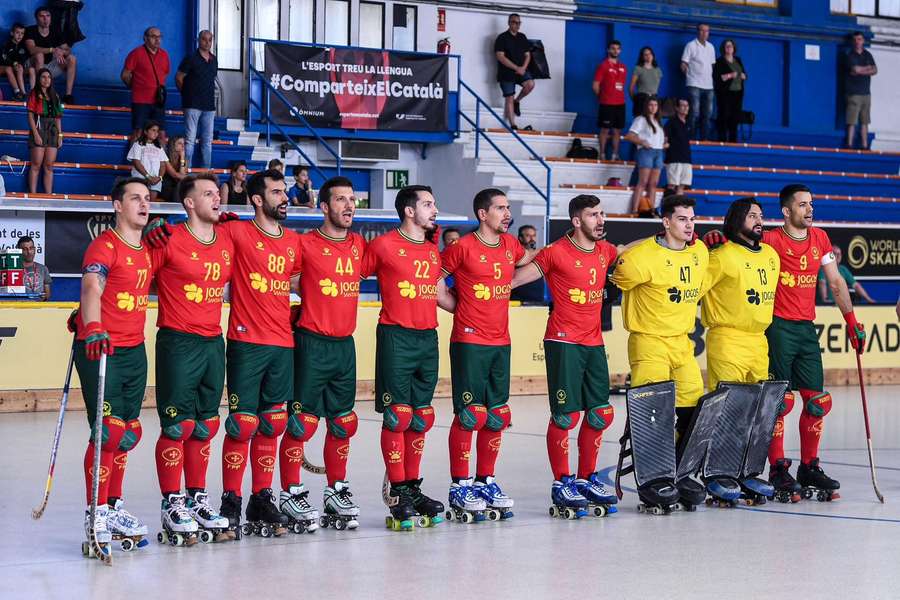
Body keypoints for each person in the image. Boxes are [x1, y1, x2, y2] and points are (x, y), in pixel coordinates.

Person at [511, 194, 620, 517]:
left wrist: (663, 237)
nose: (600, 220)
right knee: (566, 416)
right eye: (592, 215)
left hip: (594, 342)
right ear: (576, 221)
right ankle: (562, 482)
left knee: (601, 413)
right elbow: (516, 279)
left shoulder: (605, 251)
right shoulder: (555, 252)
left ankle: (587, 478)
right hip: (563, 341)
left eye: (602, 214)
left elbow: (629, 252)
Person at [360, 185, 456, 528]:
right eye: (428, 204)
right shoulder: (383, 245)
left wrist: (479, 307)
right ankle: (397, 490)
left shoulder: (432, 252)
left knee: (421, 418)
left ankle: (412, 487)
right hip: (396, 338)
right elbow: (347, 277)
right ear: (409, 211)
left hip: (427, 337)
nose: (435, 209)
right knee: (397, 417)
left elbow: (440, 295)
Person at [761, 185, 864, 498]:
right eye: (802, 205)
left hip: (807, 329)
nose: (809, 209)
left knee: (818, 402)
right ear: (786, 211)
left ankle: (810, 466)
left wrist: (851, 321)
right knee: (780, 402)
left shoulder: (820, 238)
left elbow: (835, 281)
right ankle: (778, 468)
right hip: (778, 328)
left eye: (811, 204)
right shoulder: (771, 240)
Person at [441, 188, 534, 521]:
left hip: (501, 342)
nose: (507, 214)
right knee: (470, 414)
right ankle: (460, 484)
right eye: (500, 208)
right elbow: (434, 283)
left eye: (508, 208)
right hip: (469, 342)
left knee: (496, 414)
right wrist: (460, 310)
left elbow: (529, 262)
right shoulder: (461, 248)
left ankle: (485, 480)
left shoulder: (511, 245)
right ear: (483, 214)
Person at [215, 168, 299, 537]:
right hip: (247, 344)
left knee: (273, 424)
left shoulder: (294, 241)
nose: (284, 198)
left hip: (283, 344)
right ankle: (230, 500)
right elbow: (200, 241)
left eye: (285, 191)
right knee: (241, 424)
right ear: (256, 199)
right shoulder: (236, 231)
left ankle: (261, 498)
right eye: (277, 192)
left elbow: (305, 281)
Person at [71, 177, 153, 552]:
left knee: (126, 433)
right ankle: (96, 512)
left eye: (147, 198)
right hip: (102, 349)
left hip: (135, 351)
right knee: (105, 432)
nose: (143, 204)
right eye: (135, 198)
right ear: (117, 205)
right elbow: (91, 288)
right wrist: (91, 325)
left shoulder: (148, 250)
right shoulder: (104, 245)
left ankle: (113, 505)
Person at [150, 173, 233, 543]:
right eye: (208, 194)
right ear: (188, 202)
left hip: (214, 342)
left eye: (218, 193)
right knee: (177, 426)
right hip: (178, 342)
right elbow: (133, 276)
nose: (217, 199)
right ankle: (172, 502)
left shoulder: (228, 237)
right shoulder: (168, 239)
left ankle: (197, 497)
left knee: (206, 425)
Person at [282, 176, 367, 530]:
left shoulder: (360, 245)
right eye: (341, 200)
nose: (349, 206)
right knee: (302, 423)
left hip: (344, 346)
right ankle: (291, 493)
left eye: (352, 200)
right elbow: (278, 277)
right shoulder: (304, 245)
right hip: (311, 344)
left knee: (343, 423)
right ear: (324, 206)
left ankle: (336, 490)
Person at [610, 194, 708, 441]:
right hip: (650, 342)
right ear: (666, 222)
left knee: (693, 407)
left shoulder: (699, 251)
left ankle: (677, 467)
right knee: (651, 412)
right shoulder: (640, 257)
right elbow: (611, 270)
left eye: (692, 219)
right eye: (682, 219)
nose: (689, 225)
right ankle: (652, 473)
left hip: (683, 344)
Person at [176, 30, 217, 169]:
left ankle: (205, 171)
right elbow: (179, 77)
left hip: (209, 105)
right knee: (190, 140)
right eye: (204, 39)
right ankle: (186, 170)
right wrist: (187, 94)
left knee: (207, 141)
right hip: (192, 104)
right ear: (199, 40)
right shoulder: (191, 58)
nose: (207, 42)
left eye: (210, 40)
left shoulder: (213, 59)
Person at [122, 27, 170, 145]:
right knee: (138, 132)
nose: (157, 40)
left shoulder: (164, 55)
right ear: (145, 38)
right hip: (140, 101)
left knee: (161, 133)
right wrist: (137, 87)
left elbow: (165, 74)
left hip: (158, 101)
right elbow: (125, 75)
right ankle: (134, 161)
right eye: (154, 36)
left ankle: (161, 163)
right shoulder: (136, 53)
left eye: (159, 37)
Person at [24, 6, 76, 104]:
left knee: (72, 59)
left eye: (48, 16)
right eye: (42, 16)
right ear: (36, 18)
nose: (45, 19)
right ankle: (41, 92)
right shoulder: (30, 30)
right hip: (32, 67)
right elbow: (31, 49)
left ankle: (68, 95)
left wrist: (61, 52)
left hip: (49, 68)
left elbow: (67, 50)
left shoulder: (55, 31)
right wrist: (52, 50)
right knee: (39, 55)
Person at [624, 96, 665, 216]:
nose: (653, 108)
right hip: (646, 151)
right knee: (643, 182)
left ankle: (650, 209)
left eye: (655, 105)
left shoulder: (658, 122)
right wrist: (642, 142)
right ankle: (635, 209)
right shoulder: (641, 119)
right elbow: (630, 135)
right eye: (651, 105)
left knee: (653, 184)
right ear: (646, 106)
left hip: (658, 152)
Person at [494, 13, 534, 130]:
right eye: (514, 22)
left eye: (518, 23)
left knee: (530, 84)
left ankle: (518, 101)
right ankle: (513, 125)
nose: (517, 25)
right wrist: (516, 68)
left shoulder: (522, 37)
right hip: (506, 72)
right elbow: (500, 56)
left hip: (521, 70)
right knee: (509, 98)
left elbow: (528, 55)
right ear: (509, 23)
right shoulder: (502, 38)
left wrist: (523, 68)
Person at [26, 67, 63, 194]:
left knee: (49, 165)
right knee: (36, 164)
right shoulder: (34, 94)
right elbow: (30, 116)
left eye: (49, 77)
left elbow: (58, 118)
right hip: (39, 127)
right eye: (43, 77)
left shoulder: (55, 96)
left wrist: (60, 135)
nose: (46, 80)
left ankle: (48, 195)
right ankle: (33, 194)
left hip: (52, 130)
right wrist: (36, 134)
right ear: (38, 79)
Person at [593, 40, 627, 161]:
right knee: (605, 130)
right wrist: (602, 97)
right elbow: (595, 85)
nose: (615, 51)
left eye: (618, 48)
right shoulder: (603, 66)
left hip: (620, 103)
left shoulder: (623, 67)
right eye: (613, 48)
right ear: (608, 50)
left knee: (617, 131)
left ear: (620, 50)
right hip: (607, 103)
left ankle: (615, 154)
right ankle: (602, 154)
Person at [681, 23, 715, 140]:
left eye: (707, 31)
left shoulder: (711, 47)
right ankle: (691, 139)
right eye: (702, 30)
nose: (705, 33)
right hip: (694, 84)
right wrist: (689, 75)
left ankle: (704, 139)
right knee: (694, 113)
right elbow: (683, 64)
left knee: (708, 114)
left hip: (709, 85)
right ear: (698, 32)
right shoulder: (690, 45)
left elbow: (712, 65)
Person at [844, 31, 877, 150]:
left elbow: (875, 70)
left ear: (863, 41)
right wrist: (867, 68)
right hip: (853, 93)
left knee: (865, 121)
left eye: (859, 39)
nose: (857, 42)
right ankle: (849, 145)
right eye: (855, 39)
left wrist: (860, 70)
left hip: (866, 93)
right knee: (851, 121)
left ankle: (864, 146)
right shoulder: (850, 56)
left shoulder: (868, 55)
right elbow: (855, 69)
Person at [712, 39, 747, 143]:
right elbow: (717, 77)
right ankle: (722, 139)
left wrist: (744, 76)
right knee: (724, 115)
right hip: (725, 93)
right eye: (727, 46)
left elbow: (744, 73)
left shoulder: (738, 60)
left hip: (738, 92)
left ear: (734, 48)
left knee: (735, 116)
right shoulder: (719, 61)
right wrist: (730, 75)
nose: (729, 48)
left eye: (731, 46)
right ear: (723, 48)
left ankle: (733, 140)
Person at [127, 120, 168, 201]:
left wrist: (159, 178)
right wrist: (148, 177)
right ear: (145, 131)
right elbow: (136, 162)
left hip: (156, 180)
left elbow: (163, 165)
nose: (156, 133)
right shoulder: (138, 144)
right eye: (153, 130)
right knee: (140, 202)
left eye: (157, 131)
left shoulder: (159, 147)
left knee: (151, 205)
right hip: (140, 179)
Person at [664, 98, 692, 196]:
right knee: (672, 185)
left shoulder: (688, 123)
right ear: (677, 108)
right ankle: (667, 209)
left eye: (687, 106)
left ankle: (677, 209)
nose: (685, 108)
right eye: (683, 106)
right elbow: (665, 138)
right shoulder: (671, 122)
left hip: (686, 159)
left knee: (682, 186)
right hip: (674, 159)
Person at [511, 224, 543, 303]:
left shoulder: (541, 255)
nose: (532, 239)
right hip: (517, 302)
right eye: (528, 236)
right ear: (520, 238)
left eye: (534, 235)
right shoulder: (513, 255)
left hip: (537, 302)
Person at [1, 23, 32, 101]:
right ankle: (17, 92)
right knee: (9, 68)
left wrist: (18, 64)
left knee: (29, 69)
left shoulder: (23, 46)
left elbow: (23, 59)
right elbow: (4, 58)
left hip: (17, 69)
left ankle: (26, 93)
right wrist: (13, 63)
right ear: (12, 33)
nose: (20, 35)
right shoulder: (6, 44)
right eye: (17, 32)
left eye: (22, 33)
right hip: (5, 67)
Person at [630, 46, 662, 117]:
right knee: (640, 122)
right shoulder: (638, 68)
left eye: (650, 54)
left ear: (653, 55)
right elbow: (631, 87)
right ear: (642, 57)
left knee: (653, 121)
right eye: (645, 54)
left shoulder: (658, 70)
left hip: (654, 98)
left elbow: (656, 86)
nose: (648, 56)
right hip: (642, 98)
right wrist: (636, 100)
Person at [17, 235, 52, 300]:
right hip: (19, 307)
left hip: (38, 308)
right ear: (18, 251)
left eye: (31, 248)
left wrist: (45, 297)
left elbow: (47, 295)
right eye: (25, 249)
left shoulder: (43, 269)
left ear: (35, 249)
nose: (29, 252)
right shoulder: (13, 270)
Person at [160, 136, 187, 202]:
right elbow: (174, 175)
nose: (183, 146)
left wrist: (182, 158)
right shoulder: (165, 156)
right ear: (173, 145)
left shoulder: (183, 159)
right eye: (180, 143)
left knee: (181, 185)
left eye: (184, 144)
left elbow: (182, 173)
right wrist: (188, 178)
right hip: (165, 185)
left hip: (177, 185)